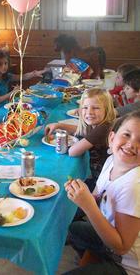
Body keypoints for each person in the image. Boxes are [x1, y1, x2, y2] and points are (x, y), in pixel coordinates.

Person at [63, 111, 140, 275]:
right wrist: (83, 196)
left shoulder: (134, 186)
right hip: (109, 242)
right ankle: (94, 258)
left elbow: (121, 247)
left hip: (125, 265)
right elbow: (97, 196)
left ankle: (98, 262)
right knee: (70, 229)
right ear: (111, 139)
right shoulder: (112, 160)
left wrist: (88, 206)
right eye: (127, 134)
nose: (132, 144)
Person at [45, 88, 116, 191]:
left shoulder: (103, 128)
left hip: (99, 182)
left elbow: (73, 152)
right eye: (85, 107)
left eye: (96, 108)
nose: (89, 112)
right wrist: (58, 125)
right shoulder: (100, 124)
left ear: (107, 110)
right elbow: (83, 132)